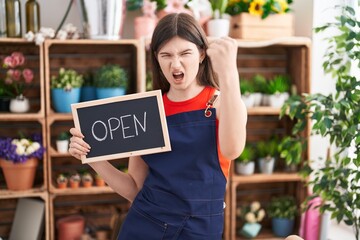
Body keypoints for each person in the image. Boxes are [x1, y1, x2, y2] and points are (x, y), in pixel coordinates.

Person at [69, 13, 247, 239]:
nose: (175, 64)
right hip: (144, 226)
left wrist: (230, 73)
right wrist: (92, 157)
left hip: (199, 231)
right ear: (156, 58)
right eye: (166, 55)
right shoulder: (148, 109)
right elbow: (134, 188)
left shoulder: (223, 103)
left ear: (202, 53)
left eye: (185, 53)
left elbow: (233, 149)